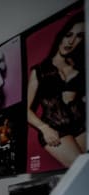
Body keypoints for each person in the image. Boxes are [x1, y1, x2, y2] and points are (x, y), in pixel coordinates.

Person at [27, 13, 86, 167]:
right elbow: (25, 110)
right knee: (82, 171)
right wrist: (43, 128)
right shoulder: (39, 71)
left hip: (81, 124)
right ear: (61, 35)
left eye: (79, 36)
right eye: (69, 35)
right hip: (54, 127)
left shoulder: (81, 67)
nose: (72, 41)